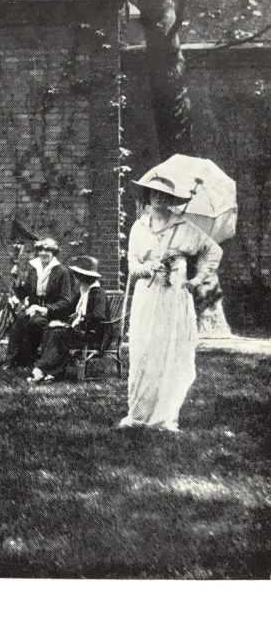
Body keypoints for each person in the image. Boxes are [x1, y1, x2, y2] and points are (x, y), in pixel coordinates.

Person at [122, 175, 222, 432]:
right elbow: (132, 266)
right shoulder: (138, 228)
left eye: (165, 196)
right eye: (154, 194)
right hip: (147, 294)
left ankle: (167, 415)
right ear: (148, 197)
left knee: (170, 352)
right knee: (144, 351)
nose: (159, 199)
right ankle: (138, 413)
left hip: (174, 295)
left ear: (170, 200)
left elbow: (213, 251)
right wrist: (146, 267)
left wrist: (197, 278)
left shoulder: (184, 227)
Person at [27, 255, 108, 383]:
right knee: (51, 329)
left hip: (93, 336)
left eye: (76, 275)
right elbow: (68, 308)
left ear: (82, 277)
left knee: (58, 334)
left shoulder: (97, 293)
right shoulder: (83, 291)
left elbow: (97, 317)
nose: (74, 278)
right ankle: (53, 372)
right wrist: (53, 317)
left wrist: (67, 326)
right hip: (81, 332)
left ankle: (41, 371)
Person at [5, 237, 75, 368]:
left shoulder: (62, 272)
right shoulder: (34, 269)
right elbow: (24, 293)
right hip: (34, 311)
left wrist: (45, 309)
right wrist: (16, 280)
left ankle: (30, 358)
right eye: (41, 250)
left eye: (48, 250)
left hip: (53, 314)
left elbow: (66, 301)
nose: (43, 253)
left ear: (54, 253)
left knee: (34, 323)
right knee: (19, 321)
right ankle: (12, 360)